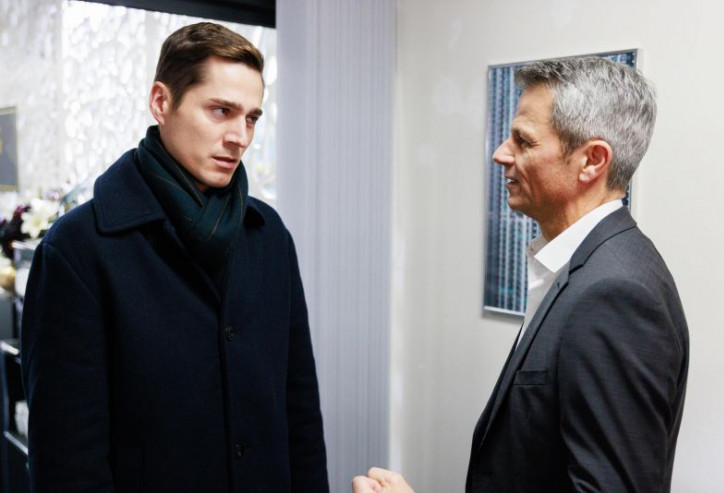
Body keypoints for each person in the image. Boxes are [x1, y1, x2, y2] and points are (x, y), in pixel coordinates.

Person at [353, 56, 689, 492]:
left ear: (592, 160)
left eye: (523, 141)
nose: (500, 154)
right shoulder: (587, 266)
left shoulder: (615, 294)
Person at [21, 22, 328, 492]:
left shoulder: (268, 236)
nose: (240, 136)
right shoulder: (78, 249)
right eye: (221, 111)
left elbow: (299, 412)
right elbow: (67, 461)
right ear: (161, 102)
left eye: (251, 118)